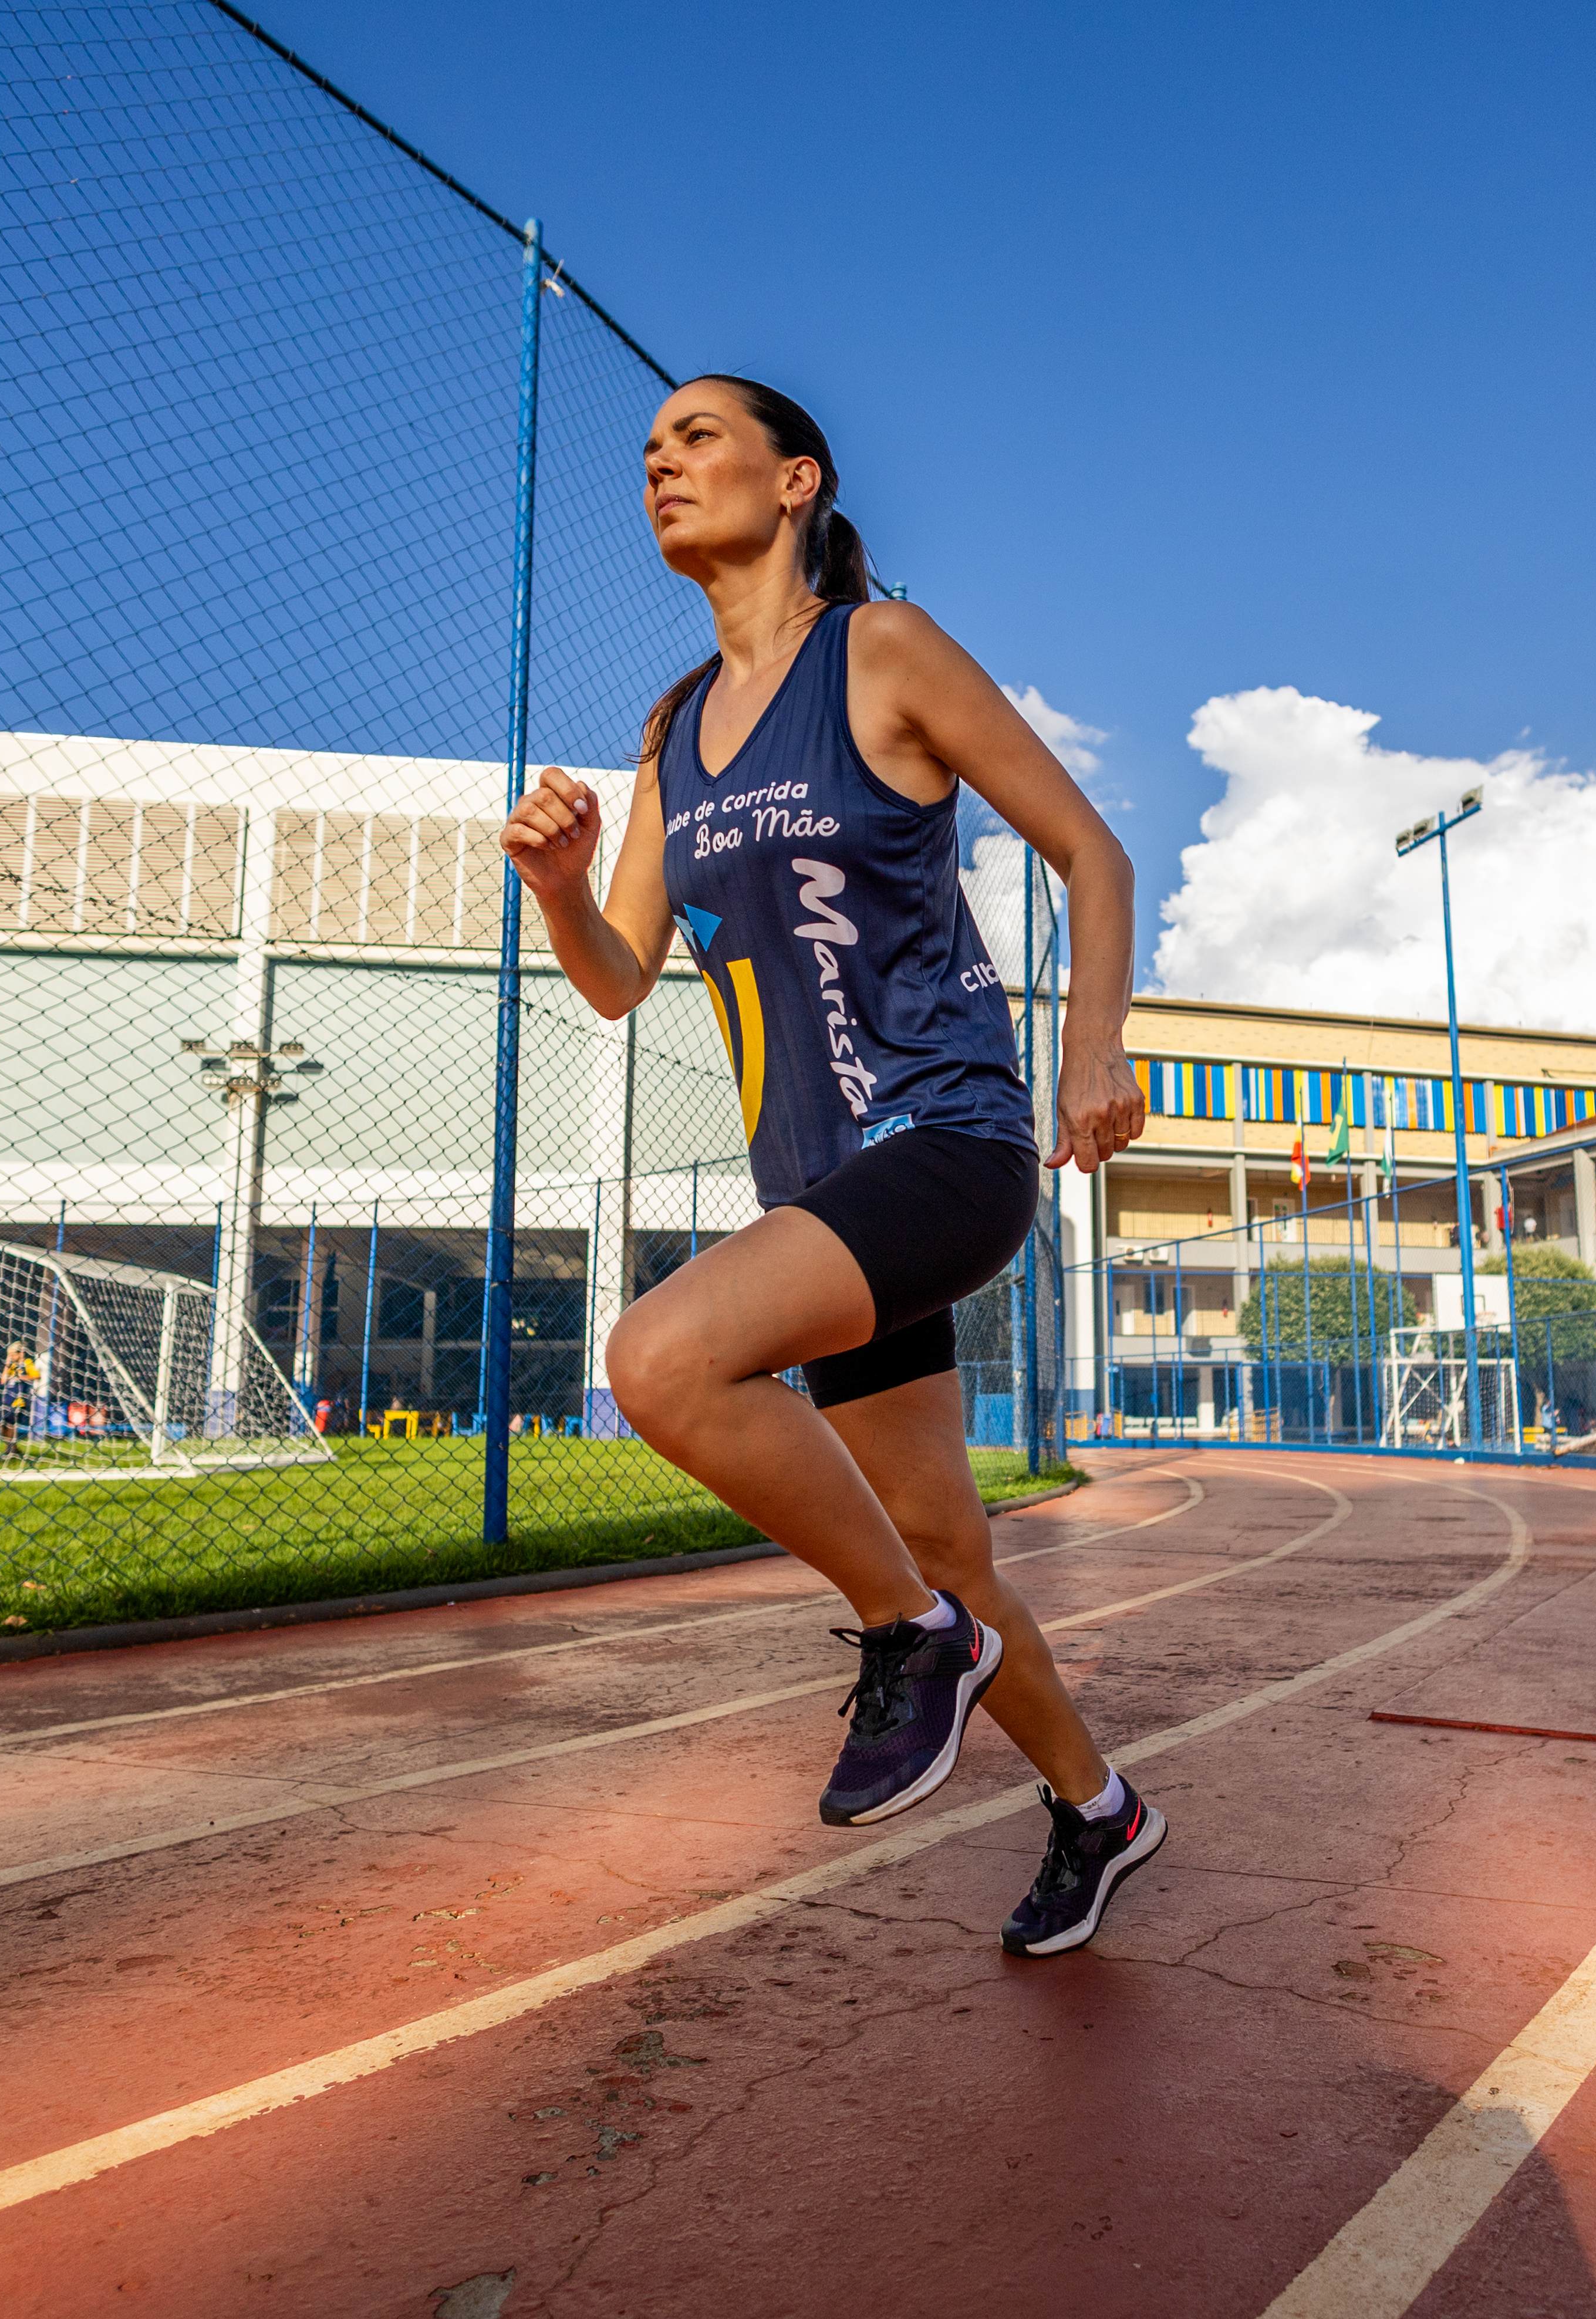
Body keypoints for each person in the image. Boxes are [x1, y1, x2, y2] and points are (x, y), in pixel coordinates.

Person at [500, 375, 1153, 1957]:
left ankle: (908, 1642)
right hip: (820, 1193)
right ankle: (1096, 1807)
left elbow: (1091, 849)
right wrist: (559, 883)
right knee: (943, 1540)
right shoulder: (674, 730)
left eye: (696, 437)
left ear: (796, 480)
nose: (658, 460)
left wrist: (1090, 1046)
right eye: (646, 448)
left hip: (945, 1140)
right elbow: (614, 972)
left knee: (656, 1357)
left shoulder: (883, 649)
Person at [0, 1339, 39, 1458]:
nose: (11, 1357)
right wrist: (8, 1365)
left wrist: (23, 1377)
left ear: (21, 1353)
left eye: (13, 1354)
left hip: (19, 1400)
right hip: (8, 1398)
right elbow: (3, 1380)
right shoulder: (12, 1366)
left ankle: (11, 1449)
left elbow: (37, 1376)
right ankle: (12, 1447)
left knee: (11, 1424)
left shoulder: (27, 1363)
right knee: (2, 1424)